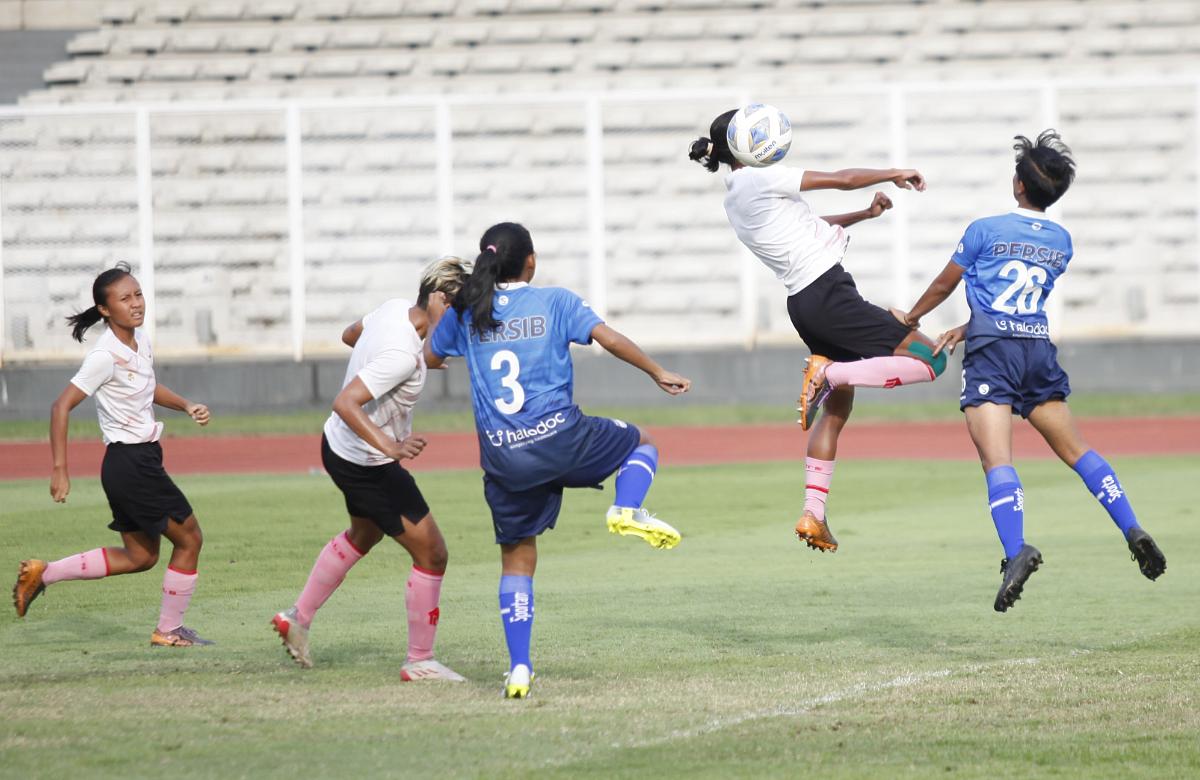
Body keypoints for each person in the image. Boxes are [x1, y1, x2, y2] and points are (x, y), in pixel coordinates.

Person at [895, 130, 1167, 612]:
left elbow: (944, 282)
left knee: (997, 461)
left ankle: (1016, 550)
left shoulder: (984, 229)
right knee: (1078, 452)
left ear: (1019, 184)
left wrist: (912, 317)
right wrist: (967, 325)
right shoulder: (1062, 242)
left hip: (994, 354)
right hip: (1037, 349)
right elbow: (1018, 299)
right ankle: (1132, 527)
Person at [424, 222, 691, 699]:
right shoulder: (556, 302)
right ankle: (626, 506)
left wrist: (452, 328)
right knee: (642, 442)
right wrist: (656, 370)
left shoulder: (466, 313)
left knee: (518, 560)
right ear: (531, 261)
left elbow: (429, 357)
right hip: (563, 439)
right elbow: (608, 338)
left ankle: (520, 667)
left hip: (505, 459)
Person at [689, 109, 947, 553]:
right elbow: (843, 177)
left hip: (804, 304)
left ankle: (813, 513)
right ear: (744, 145)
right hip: (829, 294)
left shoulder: (736, 195)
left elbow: (808, 229)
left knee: (837, 413)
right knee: (934, 358)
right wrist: (894, 171)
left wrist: (865, 214)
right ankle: (829, 374)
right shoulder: (759, 178)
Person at [271, 257, 470, 680]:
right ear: (438, 298)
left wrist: (405, 359)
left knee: (364, 532)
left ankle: (298, 618)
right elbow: (345, 402)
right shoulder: (402, 353)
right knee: (433, 554)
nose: (463, 317)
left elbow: (350, 335)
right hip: (367, 461)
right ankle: (420, 661)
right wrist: (391, 446)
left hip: (339, 449)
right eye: (459, 306)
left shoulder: (394, 309)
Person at [12, 263, 213, 647]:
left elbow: (147, 387)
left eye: (138, 294)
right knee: (190, 540)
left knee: (140, 557)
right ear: (105, 310)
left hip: (137, 463)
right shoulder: (104, 355)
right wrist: (60, 470)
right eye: (125, 298)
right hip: (131, 464)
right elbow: (60, 407)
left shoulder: (139, 342)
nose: (136, 303)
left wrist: (186, 405)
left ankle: (43, 572)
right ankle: (168, 630)